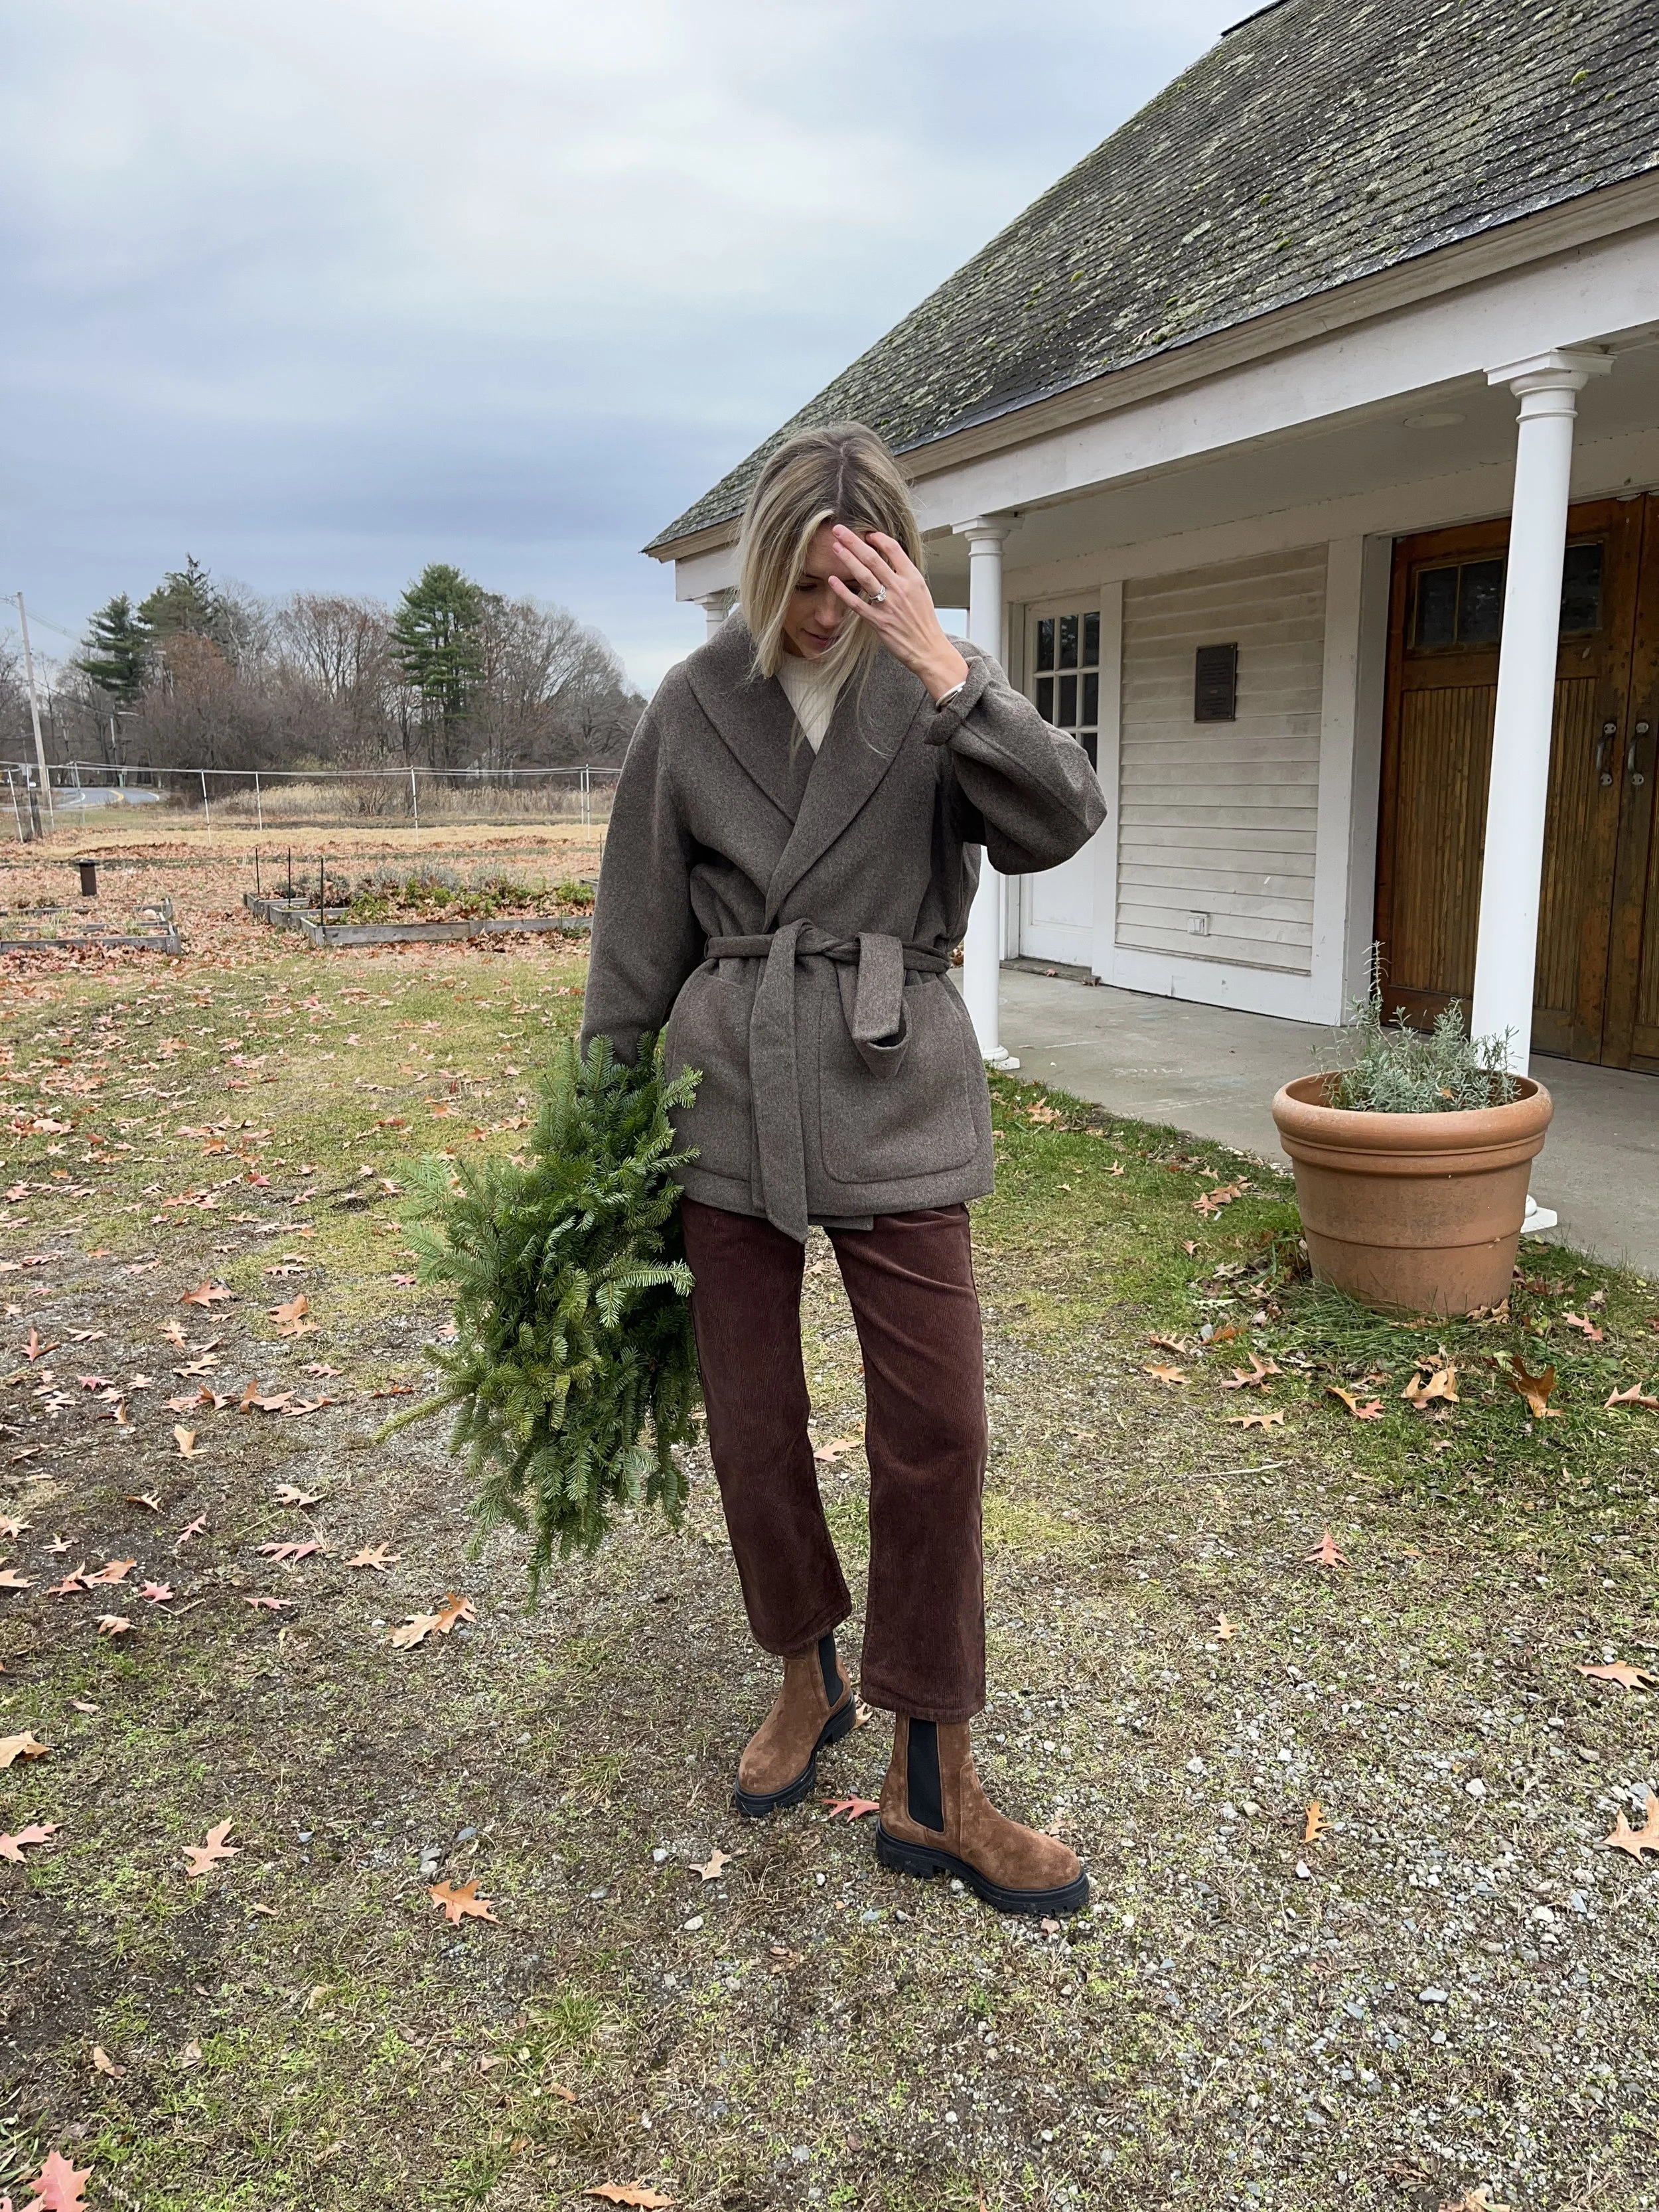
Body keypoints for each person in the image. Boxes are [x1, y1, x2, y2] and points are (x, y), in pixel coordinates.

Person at [582, 421, 1106, 1915]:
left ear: (890, 570)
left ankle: (933, 1769)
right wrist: (603, 1131)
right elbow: (633, 940)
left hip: (892, 1077)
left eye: (849, 581)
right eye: (801, 584)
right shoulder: (693, 704)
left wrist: (947, 671)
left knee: (937, 1427)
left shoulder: (938, 692)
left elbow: (1061, 822)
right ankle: (803, 1669)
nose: (822, 613)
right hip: (727, 1090)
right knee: (751, 1415)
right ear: (761, 571)